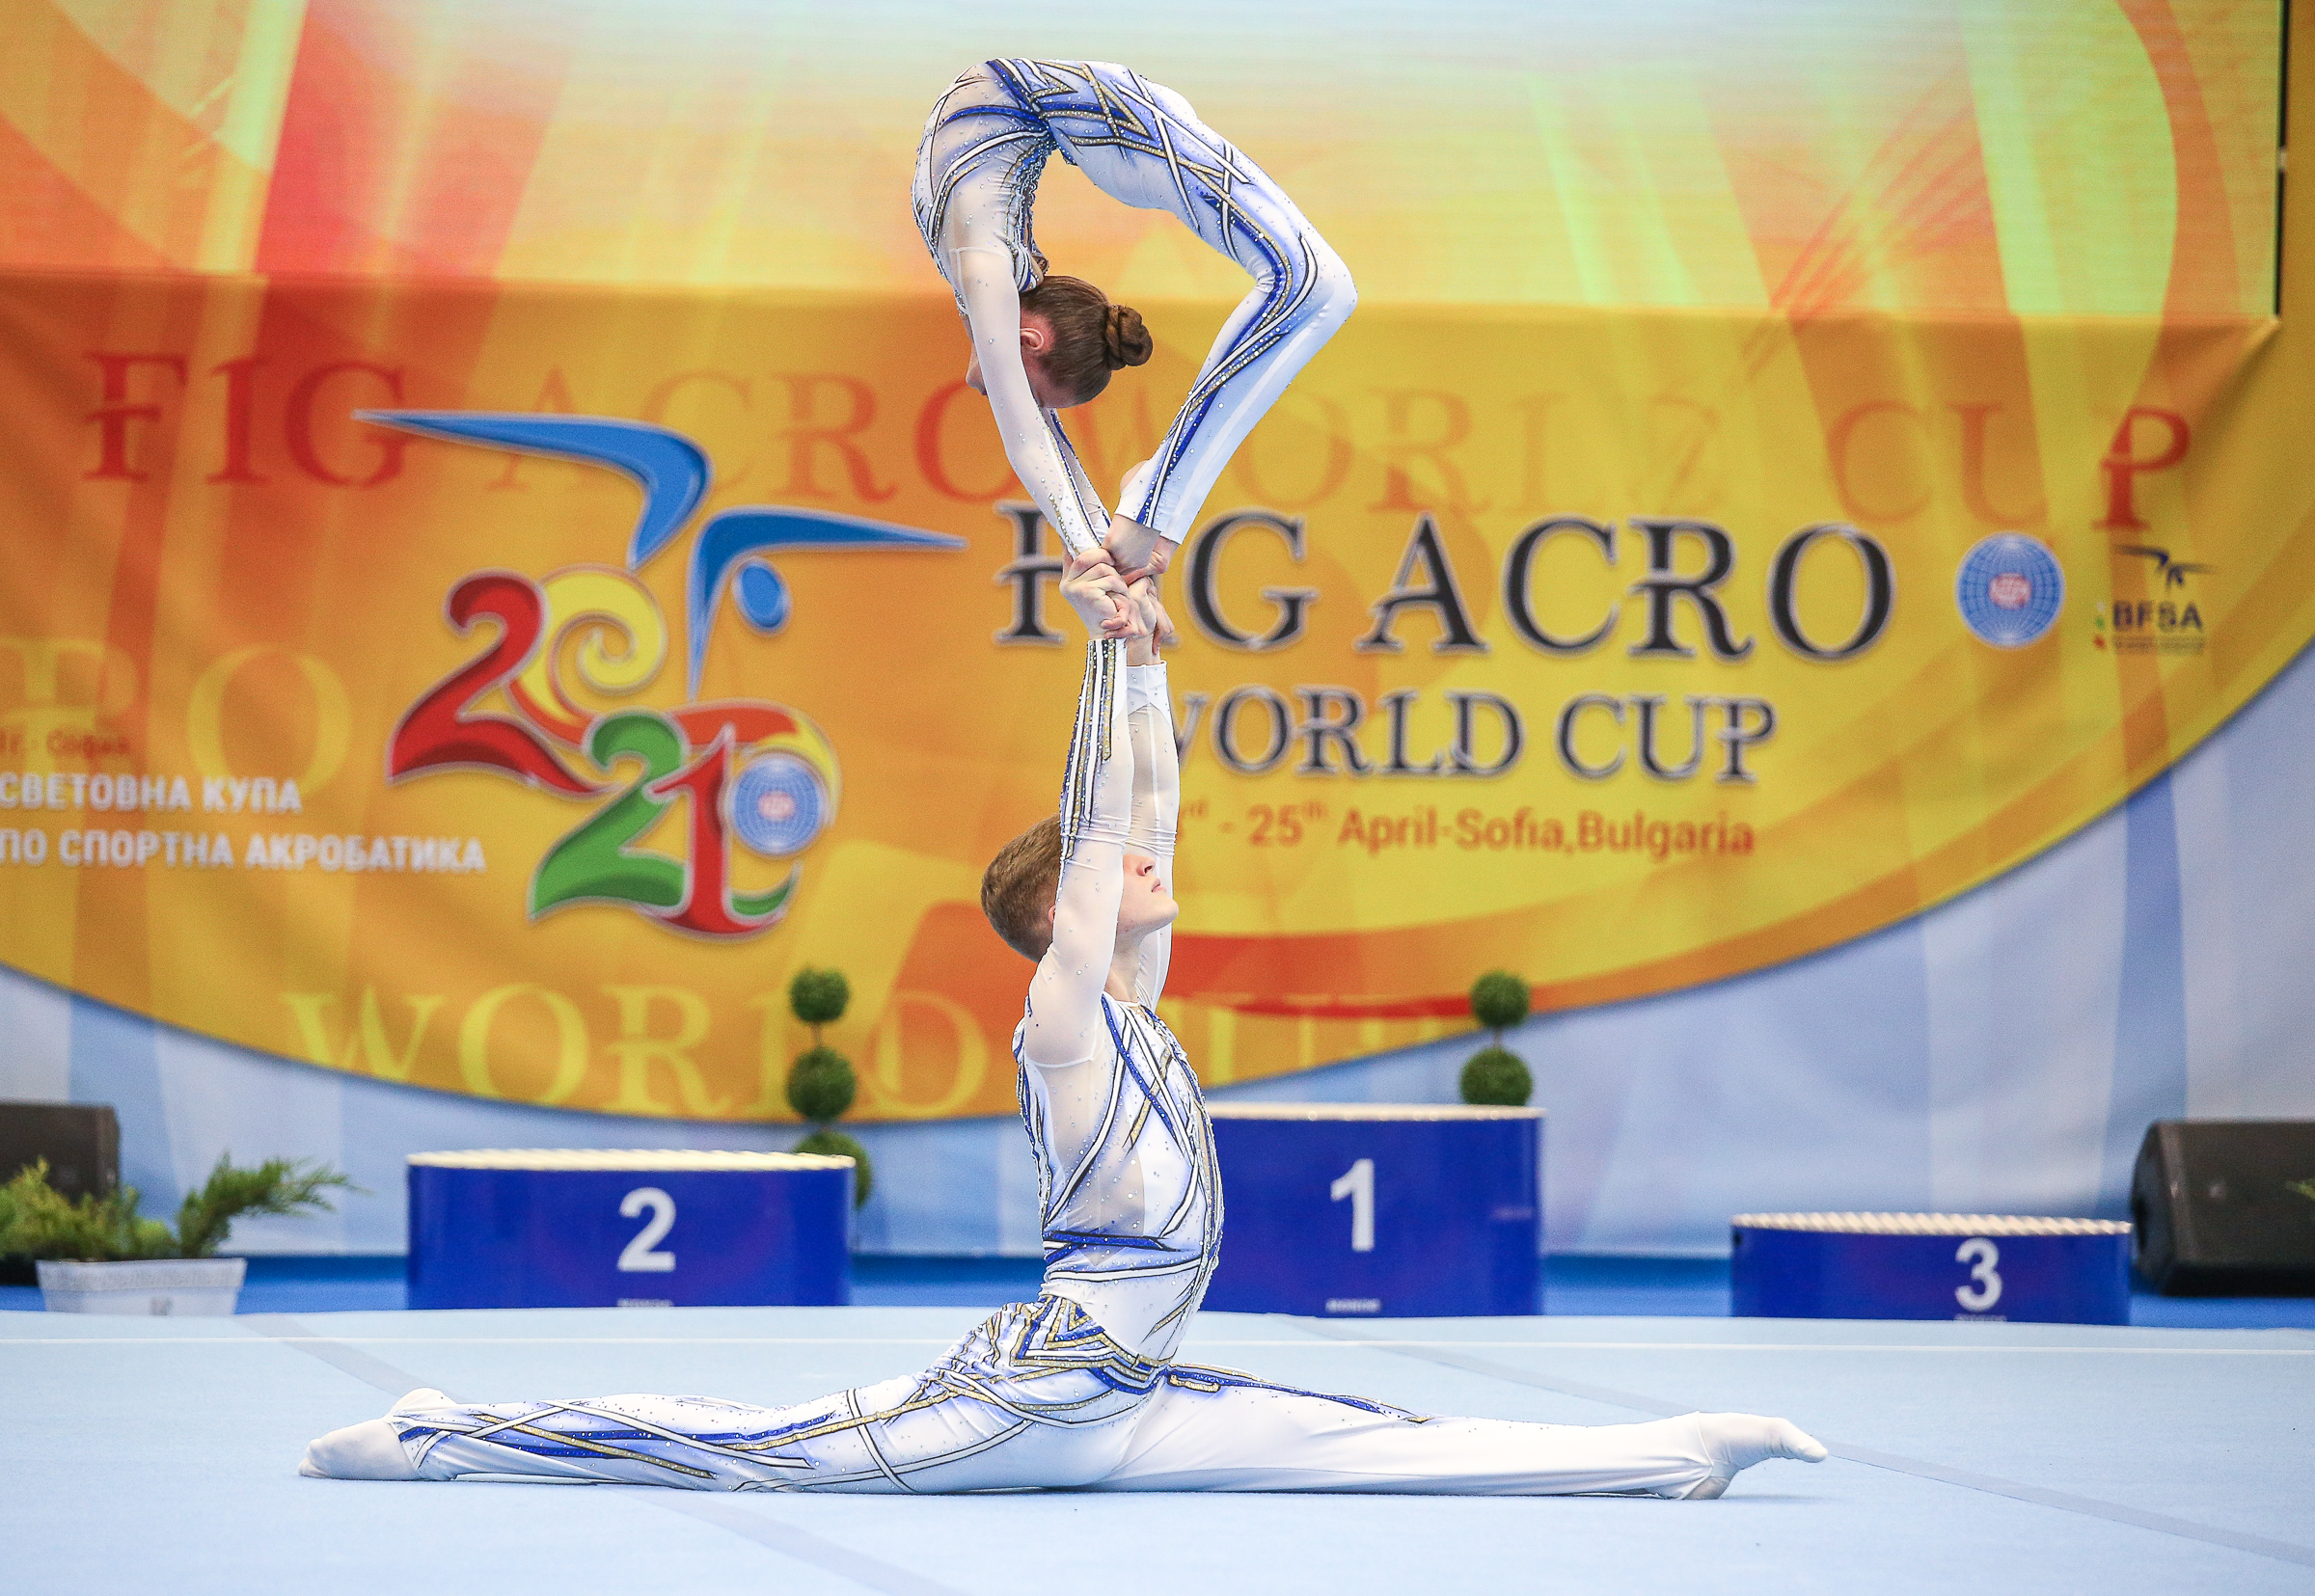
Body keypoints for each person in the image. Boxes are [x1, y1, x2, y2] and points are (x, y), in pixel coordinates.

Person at [299, 555, 1827, 1497]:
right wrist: (1095, 643)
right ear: (1060, 920)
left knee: (1379, 1433)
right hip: (1028, 1393)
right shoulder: (1065, 1022)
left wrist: (1148, 656)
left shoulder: (1136, 1009)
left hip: (1133, 1394)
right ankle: (438, 1433)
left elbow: (1143, 808)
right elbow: (1104, 834)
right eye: (1111, 877)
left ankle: (1678, 1449)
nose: (1155, 864)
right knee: (752, 1444)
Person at [912, 58, 1361, 586]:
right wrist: (1107, 559)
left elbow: (1028, 435)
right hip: (1105, 119)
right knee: (1316, 285)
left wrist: (1107, 550)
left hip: (1105, 115)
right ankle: (1151, 503)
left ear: (1029, 340)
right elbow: (1035, 437)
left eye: (1028, 393)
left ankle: (1152, 502)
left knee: (1316, 284)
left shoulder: (984, 270)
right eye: (1029, 393)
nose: (996, 391)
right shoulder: (991, 276)